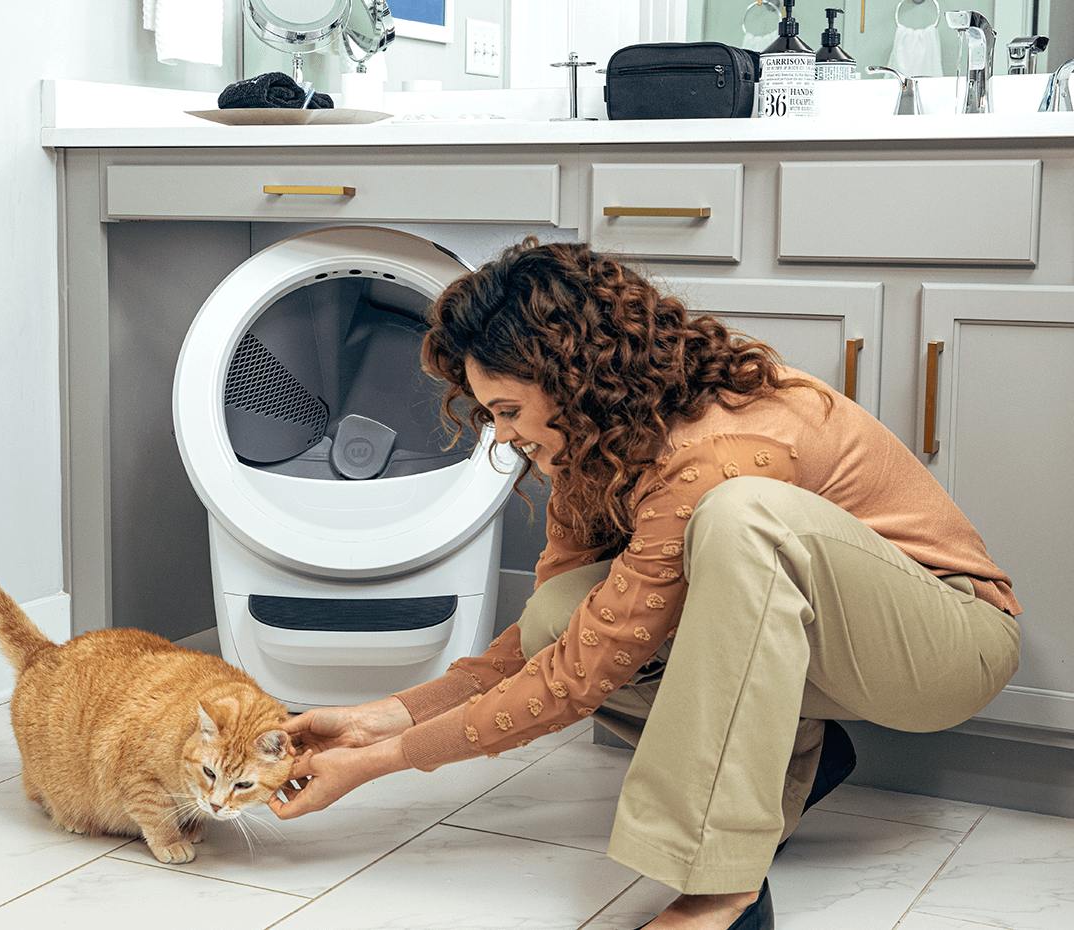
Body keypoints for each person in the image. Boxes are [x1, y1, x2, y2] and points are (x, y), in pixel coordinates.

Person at [268, 239, 1021, 930]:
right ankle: (795, 758)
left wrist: (377, 766)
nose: (502, 435)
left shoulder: (719, 448)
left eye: (509, 411)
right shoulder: (596, 446)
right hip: (821, 647)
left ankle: (720, 890)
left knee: (742, 514)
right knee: (560, 613)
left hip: (947, 644)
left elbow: (578, 679)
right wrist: (378, 721)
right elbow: (552, 645)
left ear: (570, 379)